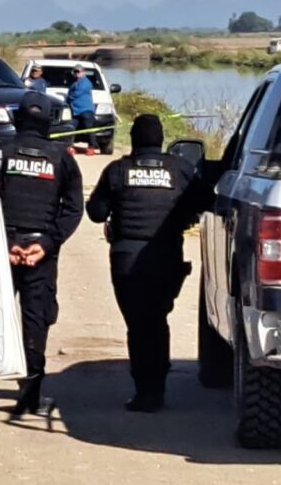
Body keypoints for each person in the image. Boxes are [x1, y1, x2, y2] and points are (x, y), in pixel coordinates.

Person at [0, 90, 83, 418]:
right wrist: (47, 244)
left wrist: (7, 242)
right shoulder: (63, 158)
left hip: (0, 248)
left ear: (16, 120)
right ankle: (30, 395)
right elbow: (72, 209)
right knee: (35, 321)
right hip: (40, 251)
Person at [85, 114, 204, 413]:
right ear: (161, 140)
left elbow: (97, 212)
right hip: (166, 258)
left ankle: (145, 391)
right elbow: (202, 202)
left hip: (126, 259)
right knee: (157, 320)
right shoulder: (181, 169)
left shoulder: (117, 170)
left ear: (135, 139)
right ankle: (156, 389)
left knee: (138, 326)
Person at [66, 64, 96, 156]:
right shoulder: (74, 83)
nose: (77, 73)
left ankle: (92, 148)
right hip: (75, 111)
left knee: (89, 129)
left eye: (79, 71)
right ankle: (70, 147)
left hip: (86, 110)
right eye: (75, 71)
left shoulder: (86, 82)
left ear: (83, 72)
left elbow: (75, 94)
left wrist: (68, 98)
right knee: (71, 128)